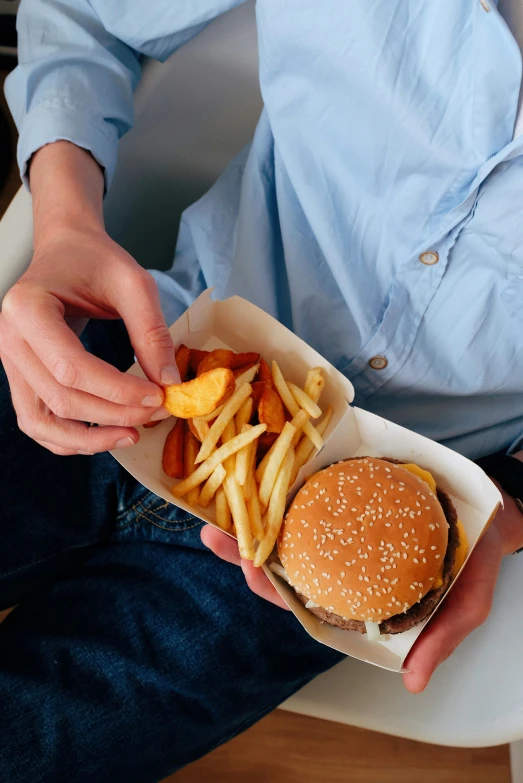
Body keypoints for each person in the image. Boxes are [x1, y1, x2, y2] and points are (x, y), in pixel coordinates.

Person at [1, 0, 523, 780]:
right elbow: (79, 12)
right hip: (141, 347)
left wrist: (510, 505)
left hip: (315, 569)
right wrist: (65, 223)